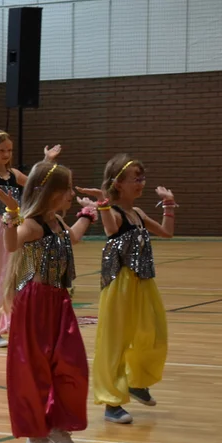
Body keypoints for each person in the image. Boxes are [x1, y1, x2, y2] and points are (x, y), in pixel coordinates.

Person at [0, 160, 96, 443]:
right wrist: (11, 215)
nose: (70, 193)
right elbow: (12, 245)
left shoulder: (57, 222)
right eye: (65, 189)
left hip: (59, 301)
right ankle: (35, 437)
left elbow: (74, 237)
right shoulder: (32, 224)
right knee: (34, 367)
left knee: (69, 364)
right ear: (49, 192)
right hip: (36, 302)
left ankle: (58, 425)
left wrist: (90, 213)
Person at [77, 155, 175, 424]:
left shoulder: (139, 214)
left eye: (142, 178)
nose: (141, 183)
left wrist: (168, 203)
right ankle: (112, 402)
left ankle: (136, 382)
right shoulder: (115, 214)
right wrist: (103, 203)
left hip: (144, 282)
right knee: (115, 342)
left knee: (154, 334)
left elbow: (167, 232)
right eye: (135, 178)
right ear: (118, 183)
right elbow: (109, 229)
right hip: (120, 284)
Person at [0, 131, 60, 347]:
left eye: (9, 150)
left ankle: (15, 325)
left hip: (16, 226)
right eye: (1, 150)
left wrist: (46, 161)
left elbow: (36, 183)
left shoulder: (14, 174)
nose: (6, 154)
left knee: (17, 276)